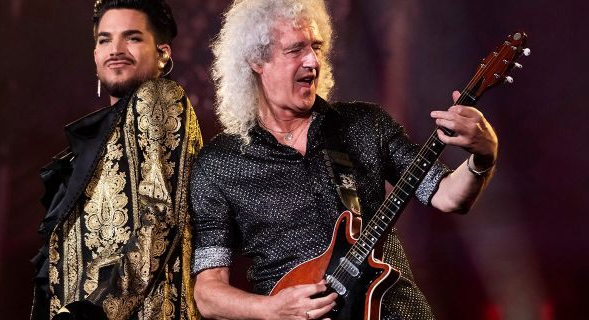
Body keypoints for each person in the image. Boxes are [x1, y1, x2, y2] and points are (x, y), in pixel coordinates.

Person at [190, 0, 498, 319]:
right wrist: (270, 308)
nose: (312, 60)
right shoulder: (219, 164)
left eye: (317, 47)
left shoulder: (365, 124)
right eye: (296, 49)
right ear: (257, 59)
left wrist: (483, 156)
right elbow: (208, 293)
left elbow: (448, 196)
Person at [30, 1, 202, 319]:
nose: (116, 49)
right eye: (105, 39)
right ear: (95, 56)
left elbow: (160, 219)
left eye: (132, 37)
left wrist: (99, 311)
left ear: (163, 54)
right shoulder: (100, 139)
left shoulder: (158, 97)